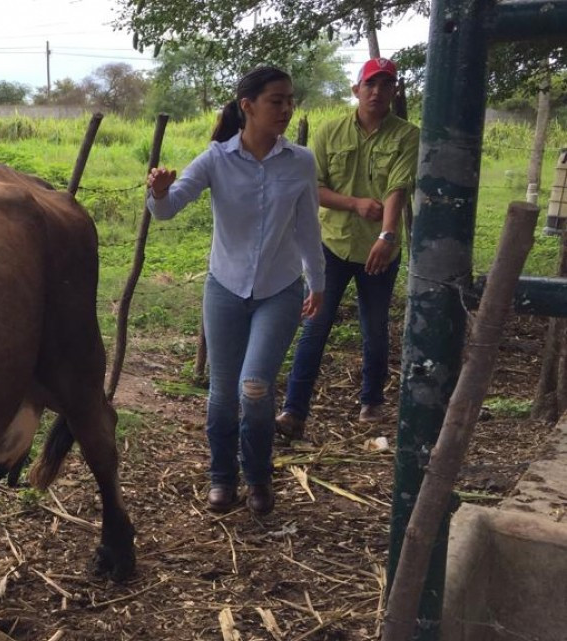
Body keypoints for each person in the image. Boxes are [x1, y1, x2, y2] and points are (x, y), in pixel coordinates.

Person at [147, 66, 325, 515]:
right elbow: (168, 209)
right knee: (223, 394)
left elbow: (307, 227)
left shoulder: (300, 160)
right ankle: (222, 479)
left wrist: (317, 281)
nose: (285, 109)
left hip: (279, 290)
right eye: (275, 101)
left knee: (255, 388)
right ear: (247, 106)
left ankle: (259, 477)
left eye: (290, 100)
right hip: (224, 289)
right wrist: (160, 193)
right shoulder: (215, 159)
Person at [276, 58, 420, 441]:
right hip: (332, 245)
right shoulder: (330, 132)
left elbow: (398, 187)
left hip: (380, 250)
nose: (377, 92)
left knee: (374, 326)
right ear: (356, 90)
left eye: (386, 85)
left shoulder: (407, 135)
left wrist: (386, 236)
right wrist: (355, 203)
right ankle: (294, 409)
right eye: (370, 84)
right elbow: (315, 190)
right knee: (315, 323)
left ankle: (372, 401)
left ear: (394, 91)